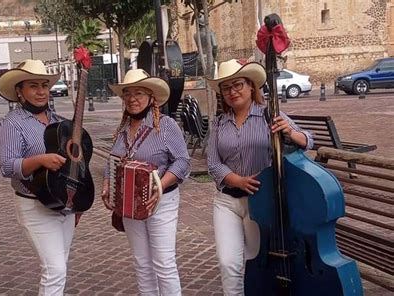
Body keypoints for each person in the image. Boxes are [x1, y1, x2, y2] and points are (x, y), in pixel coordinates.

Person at [205, 59, 314, 295]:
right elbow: (213, 163)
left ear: (251, 86)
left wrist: (290, 132)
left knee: (255, 261)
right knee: (228, 263)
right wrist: (237, 180)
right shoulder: (219, 123)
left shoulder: (270, 115)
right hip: (227, 202)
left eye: (238, 85)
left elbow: (308, 141)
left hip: (261, 203)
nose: (232, 92)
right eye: (226, 88)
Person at [101, 69, 191, 296]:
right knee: (142, 263)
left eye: (139, 93)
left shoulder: (166, 125)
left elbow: (182, 162)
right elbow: (112, 160)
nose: (132, 98)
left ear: (151, 97)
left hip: (162, 201)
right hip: (130, 204)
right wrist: (107, 183)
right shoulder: (122, 129)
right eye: (128, 93)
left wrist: (159, 185)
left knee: (164, 263)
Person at [0, 59, 75, 295]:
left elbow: (74, 165)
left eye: (44, 85)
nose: (41, 91)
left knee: (59, 266)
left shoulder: (59, 121)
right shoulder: (12, 124)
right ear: (19, 91)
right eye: (33, 86)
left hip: (64, 203)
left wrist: (76, 201)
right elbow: (8, 166)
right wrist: (40, 160)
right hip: (35, 204)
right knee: (55, 270)